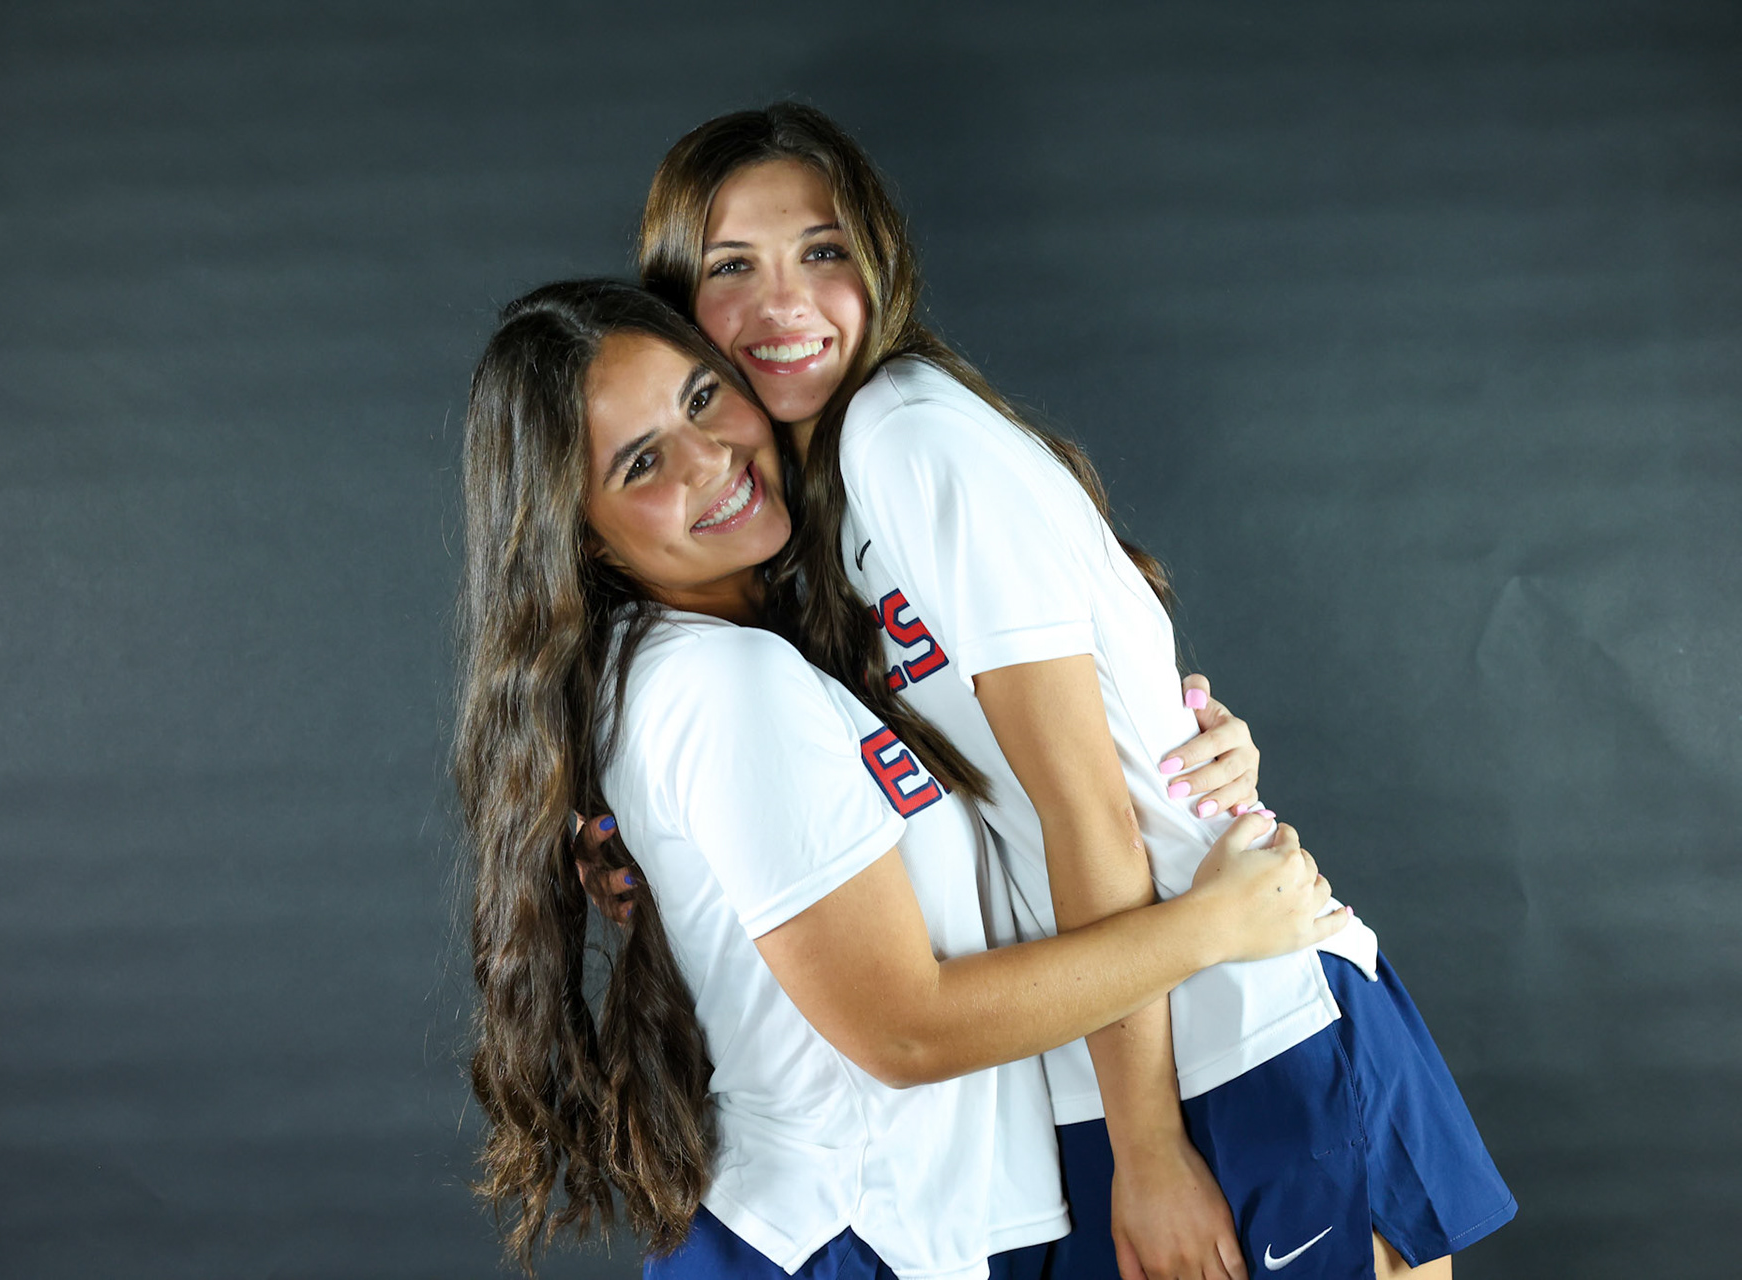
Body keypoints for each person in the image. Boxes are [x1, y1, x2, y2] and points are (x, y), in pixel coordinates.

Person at [632, 103, 1515, 1280]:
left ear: (880, 261)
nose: (783, 304)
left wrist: (1149, 1146)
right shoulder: (811, 522)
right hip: (1115, 1048)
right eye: (732, 266)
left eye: (823, 250)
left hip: (1233, 1025)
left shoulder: (908, 437)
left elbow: (1082, 801)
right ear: (677, 301)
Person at [453, 278, 1349, 1279]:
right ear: (580, 533)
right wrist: (1213, 922)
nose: (712, 460)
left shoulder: (762, 649)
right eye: (644, 462)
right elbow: (905, 1028)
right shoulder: (721, 681)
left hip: (914, 1234)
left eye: (703, 397)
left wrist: (1174, 749)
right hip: (848, 1238)